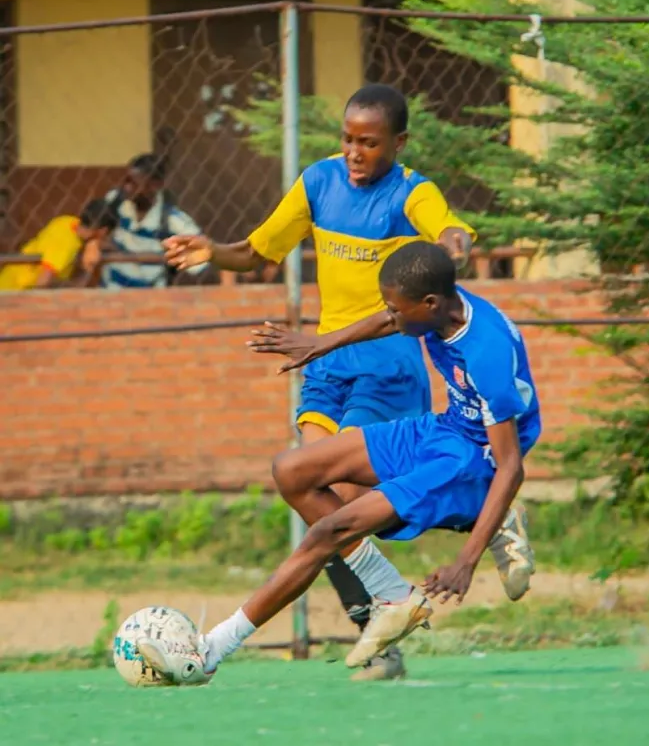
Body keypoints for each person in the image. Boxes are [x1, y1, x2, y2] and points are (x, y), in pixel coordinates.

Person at [163, 83, 534, 681]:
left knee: (350, 510)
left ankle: (458, 540)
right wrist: (211, 249)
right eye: (348, 139)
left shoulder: (413, 191)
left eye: (370, 142)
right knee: (312, 492)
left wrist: (454, 242)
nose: (356, 152)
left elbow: (447, 231)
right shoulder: (317, 182)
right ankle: (387, 614)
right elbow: (258, 251)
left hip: (389, 358)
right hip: (328, 357)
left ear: (398, 143)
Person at [138, 241, 541, 684]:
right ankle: (393, 595)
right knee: (292, 471)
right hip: (444, 430)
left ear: (429, 303)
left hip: (472, 460)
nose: (391, 315)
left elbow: (510, 465)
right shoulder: (439, 308)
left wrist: (467, 560)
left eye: (396, 309)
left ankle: (211, 650)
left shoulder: (487, 352)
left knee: (331, 530)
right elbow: (391, 320)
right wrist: (319, 345)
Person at [101, 153, 206, 289]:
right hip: (110, 292)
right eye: (126, 180)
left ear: (155, 185)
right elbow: (95, 229)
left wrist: (167, 258)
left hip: (149, 298)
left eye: (134, 183)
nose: (127, 187)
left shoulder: (173, 221)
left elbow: (202, 257)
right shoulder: (116, 201)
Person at [0, 198, 118, 291]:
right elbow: (42, 282)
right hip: (17, 291)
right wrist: (88, 271)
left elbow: (92, 237)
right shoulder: (65, 245)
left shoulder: (68, 221)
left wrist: (93, 243)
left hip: (8, 281)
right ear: (103, 231)